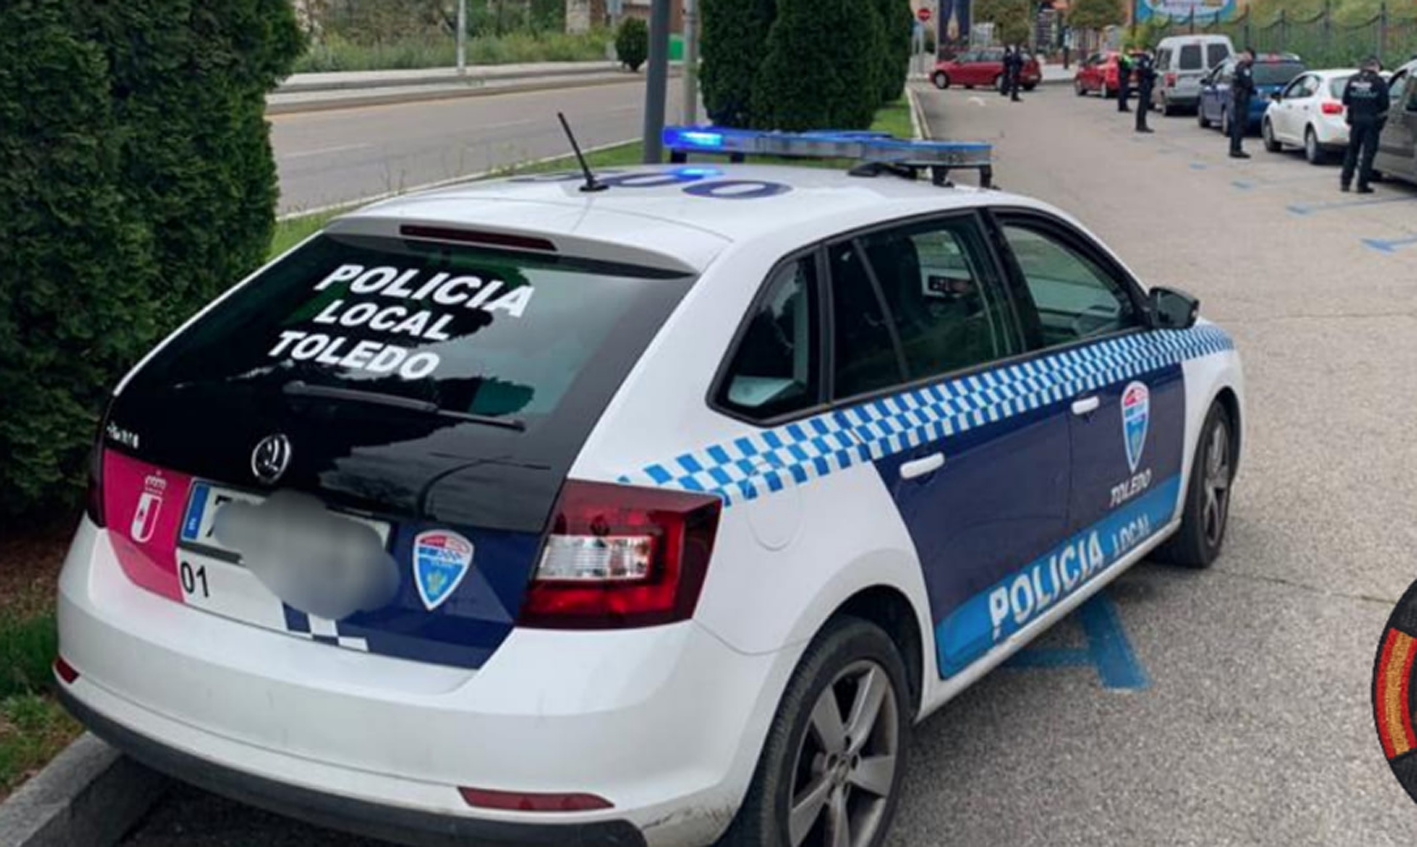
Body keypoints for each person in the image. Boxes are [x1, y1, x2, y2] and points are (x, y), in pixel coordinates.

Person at [1341, 56, 1390, 193]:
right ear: (1375, 66)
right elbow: (1385, 104)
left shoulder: (1352, 80)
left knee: (1352, 151)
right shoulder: (1379, 82)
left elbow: (1345, 100)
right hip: (1371, 121)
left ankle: (1345, 182)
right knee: (1368, 153)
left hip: (1355, 119)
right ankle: (1362, 184)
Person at [1229, 49, 1256, 158]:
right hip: (1242, 99)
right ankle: (1236, 149)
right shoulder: (1243, 68)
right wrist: (1253, 90)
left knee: (1237, 124)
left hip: (1239, 98)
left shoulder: (1238, 67)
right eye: (1248, 56)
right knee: (1240, 125)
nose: (1249, 58)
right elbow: (1248, 83)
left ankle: (1234, 148)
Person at [1135, 50, 1157, 133]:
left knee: (1142, 105)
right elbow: (1146, 72)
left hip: (1143, 84)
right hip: (1144, 84)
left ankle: (1140, 125)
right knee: (1143, 106)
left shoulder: (1142, 60)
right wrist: (1154, 75)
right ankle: (1141, 125)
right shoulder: (1144, 61)